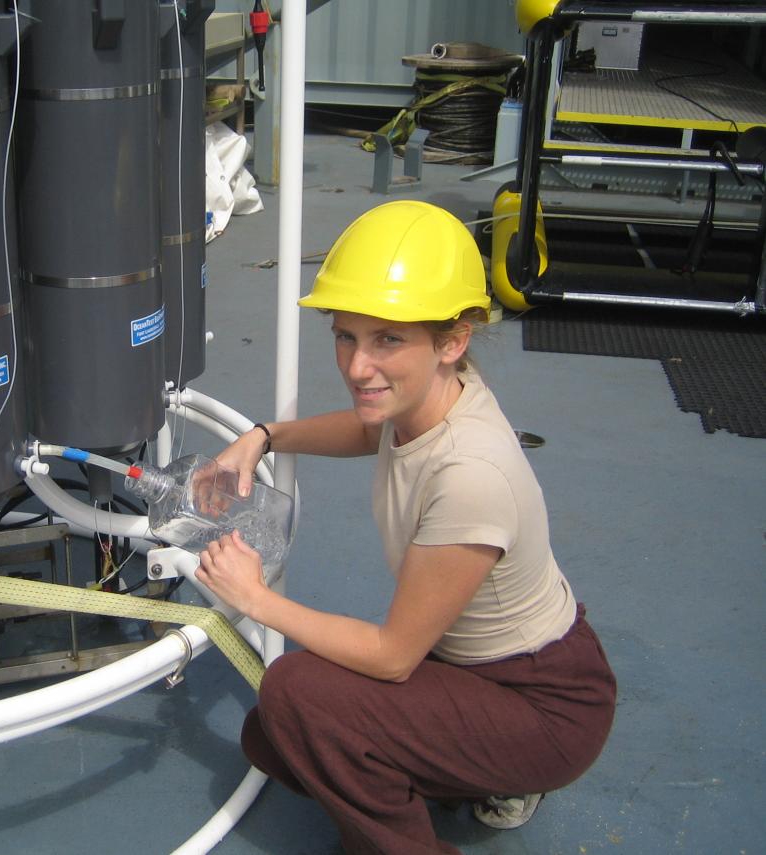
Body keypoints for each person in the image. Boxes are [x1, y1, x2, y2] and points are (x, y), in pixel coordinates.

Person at [196, 200, 616, 854]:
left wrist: (255, 599)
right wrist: (264, 436)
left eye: (388, 339)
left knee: (296, 695)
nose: (358, 366)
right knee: (272, 740)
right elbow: (369, 427)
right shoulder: (436, 395)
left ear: (453, 339)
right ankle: (463, 768)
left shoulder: (472, 473)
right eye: (346, 335)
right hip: (479, 667)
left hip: (545, 704)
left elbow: (394, 656)